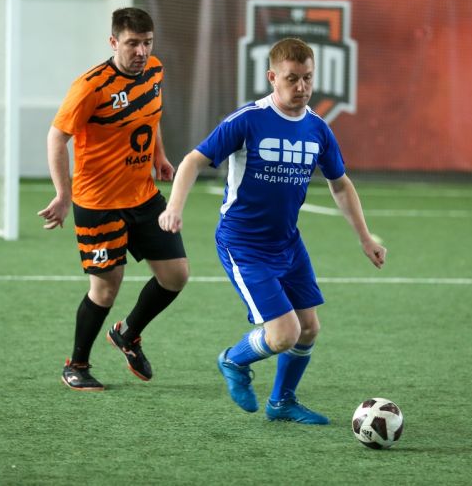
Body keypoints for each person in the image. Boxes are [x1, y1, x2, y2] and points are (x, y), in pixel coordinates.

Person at [159, 37, 386, 424]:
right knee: (283, 334)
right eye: (292, 78)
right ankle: (233, 360)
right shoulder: (248, 120)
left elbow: (340, 184)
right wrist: (174, 208)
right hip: (243, 244)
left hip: (287, 242)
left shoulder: (317, 128)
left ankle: (282, 402)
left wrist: (365, 237)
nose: (301, 86)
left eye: (308, 78)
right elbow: (193, 160)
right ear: (272, 77)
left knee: (308, 328)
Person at [38, 7, 190, 391]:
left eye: (147, 42)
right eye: (132, 43)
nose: (141, 51)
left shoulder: (154, 70)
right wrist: (63, 194)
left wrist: (158, 156)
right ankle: (76, 364)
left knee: (176, 276)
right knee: (106, 288)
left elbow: (150, 115)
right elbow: (57, 137)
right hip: (99, 203)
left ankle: (128, 333)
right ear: (113, 42)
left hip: (143, 196)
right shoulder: (90, 87)